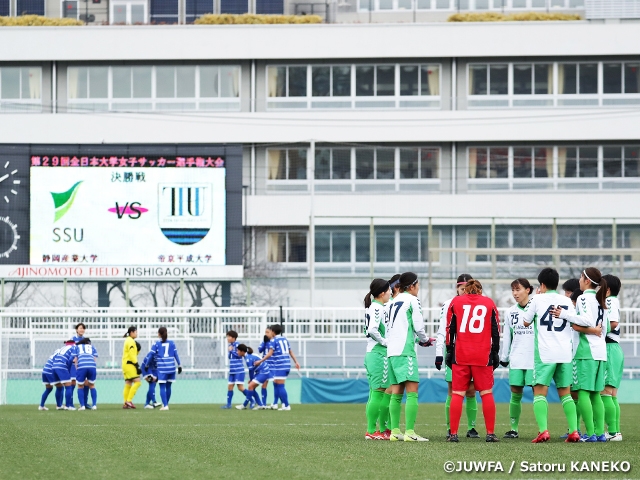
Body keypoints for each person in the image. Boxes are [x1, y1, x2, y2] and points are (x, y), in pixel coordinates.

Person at [521, 268, 589, 443]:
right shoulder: (566, 300)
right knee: (565, 393)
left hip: (545, 353)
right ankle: (574, 431)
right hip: (565, 352)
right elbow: (574, 321)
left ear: (542, 285)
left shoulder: (536, 299)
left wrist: (534, 300)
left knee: (539, 392)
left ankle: (543, 430)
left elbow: (526, 321)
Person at [554, 267, 608, 443]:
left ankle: (591, 433)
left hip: (586, 351)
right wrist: (591, 329)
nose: (578, 280)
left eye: (580, 277)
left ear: (586, 280)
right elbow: (603, 329)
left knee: (583, 392)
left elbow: (585, 320)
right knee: (595, 394)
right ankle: (600, 433)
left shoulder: (584, 297)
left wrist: (564, 314)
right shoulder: (601, 300)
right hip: (600, 351)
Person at [446, 280, 500, 443]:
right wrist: (495, 352)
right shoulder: (489, 303)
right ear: (480, 290)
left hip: (461, 354)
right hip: (482, 355)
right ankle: (490, 433)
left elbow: (450, 328)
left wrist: (449, 349)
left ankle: (453, 434)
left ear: (466, 290)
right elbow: (496, 330)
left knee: (457, 393)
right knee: (486, 393)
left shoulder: (456, 302)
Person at [385, 272, 433, 442]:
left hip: (391, 352)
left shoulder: (392, 302)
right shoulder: (412, 300)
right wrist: (425, 340)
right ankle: (410, 432)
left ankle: (395, 431)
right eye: (418, 285)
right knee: (412, 392)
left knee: (396, 392)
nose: (418, 288)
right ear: (411, 286)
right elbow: (419, 326)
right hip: (405, 351)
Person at [435, 273, 479, 439]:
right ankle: (450, 428)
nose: (465, 291)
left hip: (474, 352)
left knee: (471, 391)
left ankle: (471, 428)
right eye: (462, 288)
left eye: (468, 288)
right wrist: (440, 353)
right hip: (454, 351)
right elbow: (442, 330)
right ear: (457, 288)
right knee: (453, 390)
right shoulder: (448, 305)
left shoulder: (480, 303)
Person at [500, 278, 534, 439]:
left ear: (528, 290)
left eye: (518, 289)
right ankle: (513, 429)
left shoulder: (537, 308)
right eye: (513, 290)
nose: (515, 293)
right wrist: (504, 356)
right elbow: (507, 337)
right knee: (515, 393)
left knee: (538, 393)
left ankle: (543, 429)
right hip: (517, 358)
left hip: (534, 359)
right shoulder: (510, 312)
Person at [363, 278, 391, 440]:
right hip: (378, 354)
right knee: (379, 392)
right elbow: (373, 329)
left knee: (375, 393)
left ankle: (374, 430)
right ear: (382, 293)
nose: (390, 293)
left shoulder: (373, 307)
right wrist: (385, 342)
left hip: (372, 353)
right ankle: (372, 431)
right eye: (388, 291)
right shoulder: (377, 308)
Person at [255, 324, 300, 411]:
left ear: (272, 331)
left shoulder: (273, 340)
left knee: (280, 385)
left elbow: (269, 353)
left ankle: (286, 405)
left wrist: (260, 361)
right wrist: (296, 361)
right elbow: (290, 351)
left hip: (280, 365)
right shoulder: (285, 339)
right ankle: (277, 404)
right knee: (276, 383)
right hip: (286, 364)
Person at [602, 274, 623, 442]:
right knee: (613, 394)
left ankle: (613, 432)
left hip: (609, 347)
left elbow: (613, 322)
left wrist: (598, 330)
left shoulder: (610, 301)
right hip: (615, 348)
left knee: (606, 393)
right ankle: (615, 431)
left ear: (607, 290)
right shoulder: (613, 300)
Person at [149, 327, 182, 411]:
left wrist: (146, 364)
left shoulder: (156, 343)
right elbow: (176, 354)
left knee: (162, 386)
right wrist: (179, 365)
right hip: (171, 367)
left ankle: (165, 405)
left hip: (162, 368)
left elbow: (151, 355)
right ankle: (165, 404)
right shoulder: (172, 343)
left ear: (159, 334)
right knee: (169, 386)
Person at [236, 344, 270, 410]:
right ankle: (260, 405)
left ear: (242, 351)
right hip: (260, 372)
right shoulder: (247, 356)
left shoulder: (248, 358)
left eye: (238, 351)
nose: (237, 352)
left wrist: (252, 379)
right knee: (252, 388)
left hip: (264, 372)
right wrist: (252, 379)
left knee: (250, 386)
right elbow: (253, 369)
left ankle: (244, 405)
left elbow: (251, 371)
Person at [222, 330, 247, 409]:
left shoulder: (237, 345)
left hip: (238, 370)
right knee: (230, 387)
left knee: (240, 387)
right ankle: (228, 405)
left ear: (233, 338)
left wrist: (231, 350)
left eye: (229, 337)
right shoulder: (231, 345)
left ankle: (251, 399)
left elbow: (239, 355)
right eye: (227, 337)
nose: (227, 338)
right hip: (232, 370)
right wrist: (230, 351)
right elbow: (230, 356)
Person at [51, 340, 78, 410]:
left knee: (59, 386)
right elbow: (70, 360)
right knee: (68, 386)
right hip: (62, 366)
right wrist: (68, 369)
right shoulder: (74, 348)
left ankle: (59, 405)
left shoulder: (62, 348)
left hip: (54, 366)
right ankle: (68, 406)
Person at [75, 338, 98, 411]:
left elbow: (75, 359)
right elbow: (94, 359)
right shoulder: (92, 347)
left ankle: (82, 406)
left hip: (82, 366)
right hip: (92, 366)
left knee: (80, 386)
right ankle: (94, 405)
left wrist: (77, 368)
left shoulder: (77, 347)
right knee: (92, 385)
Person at [122, 326, 142, 409]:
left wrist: (138, 350)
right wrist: (137, 365)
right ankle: (129, 401)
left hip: (125, 364)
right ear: (132, 332)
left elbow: (133, 353)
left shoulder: (128, 340)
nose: (137, 333)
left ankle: (125, 403)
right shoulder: (130, 341)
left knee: (128, 383)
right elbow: (132, 355)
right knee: (138, 382)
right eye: (136, 332)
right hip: (130, 364)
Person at [71, 323, 86, 407]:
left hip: (83, 364)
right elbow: (70, 349)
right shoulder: (72, 339)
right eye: (80, 328)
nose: (82, 330)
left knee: (85, 383)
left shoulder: (85, 340)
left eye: (83, 328)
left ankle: (84, 403)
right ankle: (70, 403)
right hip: (74, 365)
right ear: (76, 329)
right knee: (72, 384)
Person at [258, 335, 275, 407]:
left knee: (277, 384)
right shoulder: (264, 342)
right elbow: (259, 350)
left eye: (268, 332)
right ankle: (264, 404)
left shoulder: (274, 342)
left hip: (273, 365)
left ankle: (276, 403)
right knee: (264, 384)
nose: (266, 334)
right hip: (265, 365)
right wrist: (265, 343)